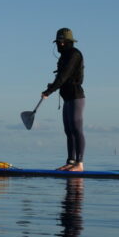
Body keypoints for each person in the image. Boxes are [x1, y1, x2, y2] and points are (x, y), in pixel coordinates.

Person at [42, 28, 85, 171]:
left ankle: (79, 164)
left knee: (76, 129)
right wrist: (52, 86)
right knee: (68, 130)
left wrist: (49, 91)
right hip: (67, 97)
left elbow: (64, 76)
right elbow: (60, 78)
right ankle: (71, 161)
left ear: (67, 42)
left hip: (76, 96)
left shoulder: (74, 54)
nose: (59, 45)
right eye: (57, 42)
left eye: (61, 42)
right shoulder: (63, 57)